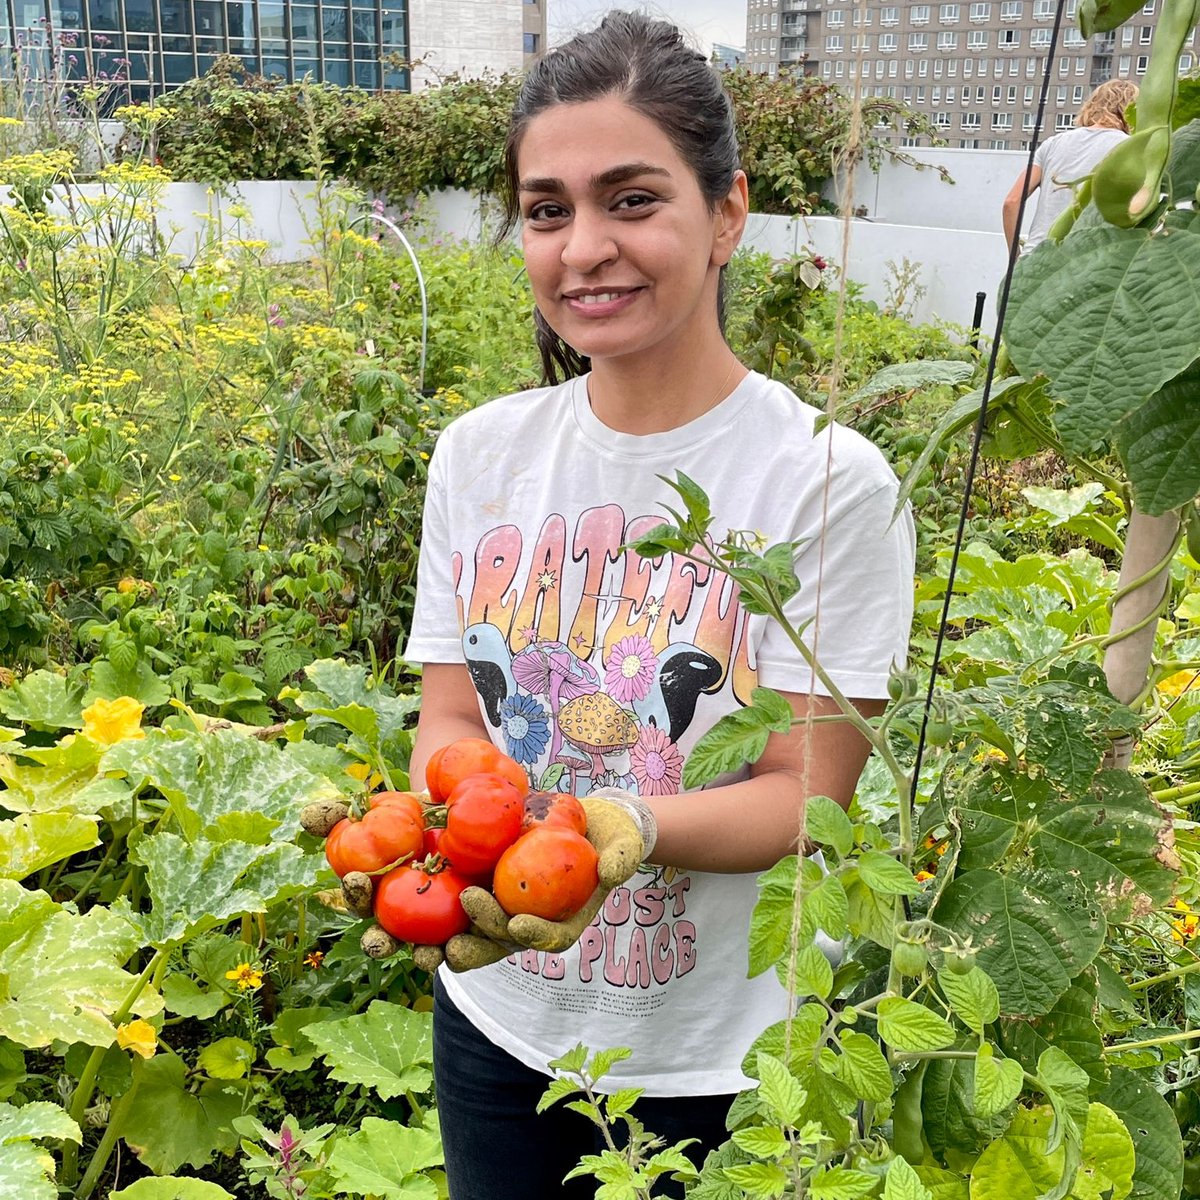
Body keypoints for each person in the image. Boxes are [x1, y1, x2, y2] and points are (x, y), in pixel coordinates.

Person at [402, 11, 916, 1198]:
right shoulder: (478, 456)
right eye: (547, 209)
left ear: (726, 211)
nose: (585, 247)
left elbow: (805, 799)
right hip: (500, 1026)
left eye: (632, 199)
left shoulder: (825, 480)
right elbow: (448, 721)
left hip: (723, 1062)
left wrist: (601, 834)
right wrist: (460, 826)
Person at [1002, 78, 1139, 254]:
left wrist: (1015, 258)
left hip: (1035, 259)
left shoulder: (1052, 143)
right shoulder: (1130, 148)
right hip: (1085, 262)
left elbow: (1011, 203)